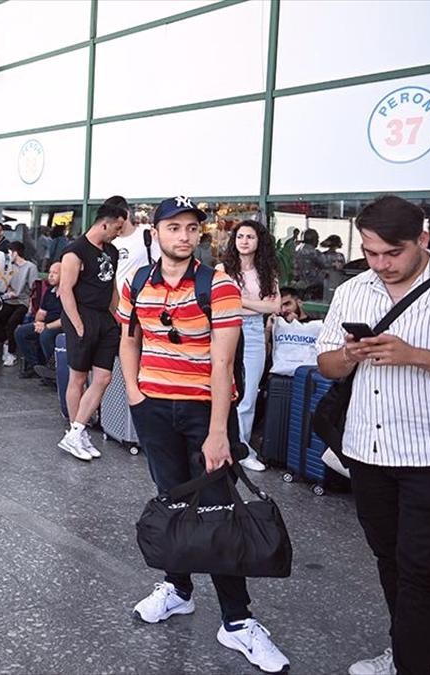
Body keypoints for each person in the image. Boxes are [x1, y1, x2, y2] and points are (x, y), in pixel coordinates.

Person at [117, 195, 288, 673]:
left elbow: (222, 362)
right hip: (154, 408)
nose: (184, 236)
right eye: (174, 228)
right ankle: (179, 587)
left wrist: (218, 431)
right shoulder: (136, 282)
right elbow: (130, 340)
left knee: (217, 507)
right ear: (156, 233)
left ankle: (237, 620)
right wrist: (134, 394)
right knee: (172, 499)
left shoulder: (221, 286)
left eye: (192, 228)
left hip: (204, 412)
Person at [315, 196, 430, 675]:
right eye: (371, 252)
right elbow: (325, 364)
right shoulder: (353, 290)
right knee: (389, 558)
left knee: (422, 570)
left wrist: (417, 355)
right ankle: (409, 647)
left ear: (422, 241)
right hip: (367, 451)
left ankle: (413, 663)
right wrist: (350, 355)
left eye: (393, 253)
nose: (381, 264)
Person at [56, 199, 126, 460]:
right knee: (78, 377)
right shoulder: (75, 251)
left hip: (104, 319)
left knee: (104, 377)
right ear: (104, 224)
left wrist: (119, 315)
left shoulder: (112, 251)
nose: (118, 233)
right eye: (117, 228)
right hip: (81, 316)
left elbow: (112, 286)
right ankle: (76, 431)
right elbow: (65, 291)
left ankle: (76, 431)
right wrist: (78, 325)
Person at [217, 220, 280, 472]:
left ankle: (241, 448)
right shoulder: (223, 268)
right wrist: (255, 303)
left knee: (249, 393)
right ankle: (219, 442)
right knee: (221, 387)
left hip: (253, 332)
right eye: (240, 236)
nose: (244, 241)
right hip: (225, 329)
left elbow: (274, 307)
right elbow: (218, 302)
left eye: (250, 237)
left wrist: (239, 300)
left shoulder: (267, 272)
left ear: (258, 241)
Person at [0, 241, 37, 367]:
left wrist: (31, 306)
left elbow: (34, 289)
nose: (8, 255)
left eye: (9, 252)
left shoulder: (30, 267)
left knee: (12, 322)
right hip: (10, 300)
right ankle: (6, 341)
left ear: (15, 253)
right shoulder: (10, 266)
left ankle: (11, 353)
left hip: (23, 301)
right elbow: (5, 283)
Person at [15, 262, 63, 379]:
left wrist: (46, 327)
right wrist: (39, 323)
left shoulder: (69, 293)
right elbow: (41, 313)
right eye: (50, 272)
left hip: (61, 325)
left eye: (55, 273)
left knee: (46, 335)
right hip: (46, 324)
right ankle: (35, 366)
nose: (50, 275)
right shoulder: (49, 292)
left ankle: (53, 368)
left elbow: (65, 319)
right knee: (21, 332)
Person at [294, 228, 329, 299]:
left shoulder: (297, 250)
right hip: (312, 285)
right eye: (317, 238)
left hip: (299, 284)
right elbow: (326, 264)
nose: (318, 241)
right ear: (313, 240)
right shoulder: (314, 253)